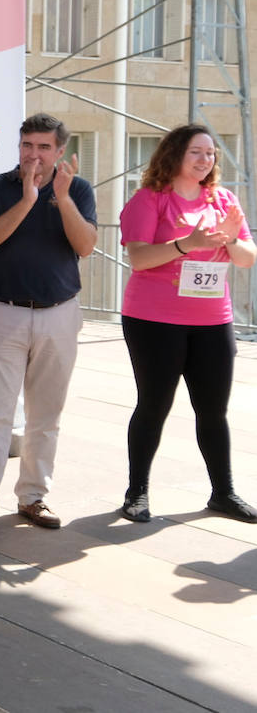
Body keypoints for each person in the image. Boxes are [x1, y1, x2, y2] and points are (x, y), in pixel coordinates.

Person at [0, 113, 97, 536]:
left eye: (42, 147)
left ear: (59, 151)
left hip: (59, 313)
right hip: (4, 313)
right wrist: (28, 200)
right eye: (26, 146)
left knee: (46, 415)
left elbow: (86, 246)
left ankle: (33, 497)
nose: (33, 154)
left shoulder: (79, 189)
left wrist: (63, 199)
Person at [117, 124, 257, 523]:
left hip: (213, 320)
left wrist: (230, 240)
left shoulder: (223, 199)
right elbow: (140, 258)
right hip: (154, 318)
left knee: (213, 409)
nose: (205, 160)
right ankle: (136, 493)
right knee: (154, 405)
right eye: (196, 152)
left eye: (211, 153)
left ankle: (223, 492)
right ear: (175, 154)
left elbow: (247, 257)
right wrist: (188, 244)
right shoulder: (150, 199)